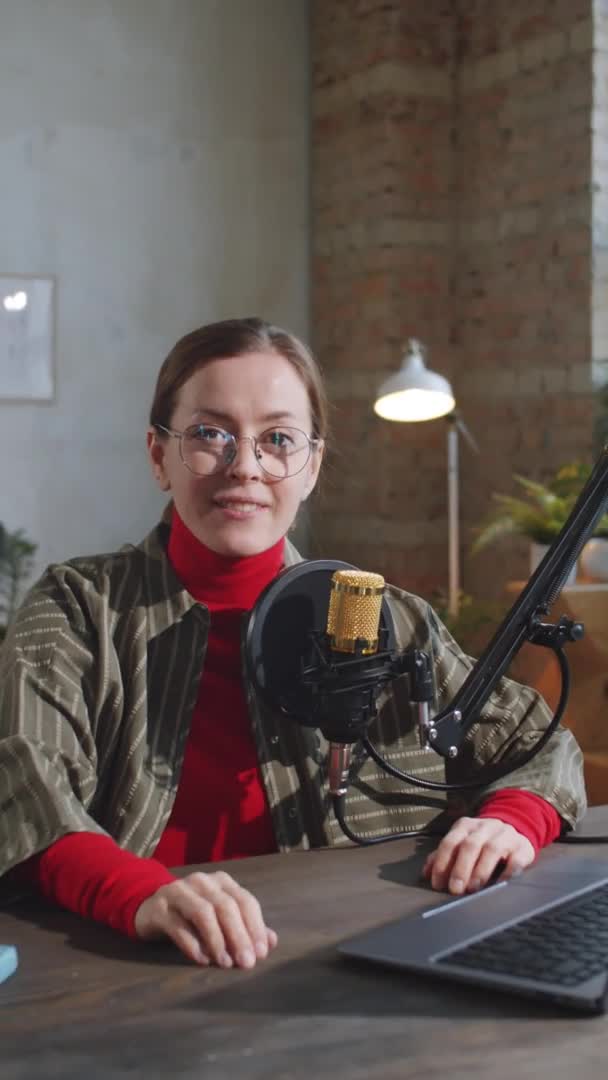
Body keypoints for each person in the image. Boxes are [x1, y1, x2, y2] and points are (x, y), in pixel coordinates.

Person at [0, 317, 586, 971]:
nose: (244, 466)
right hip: (133, 970)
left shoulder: (381, 616)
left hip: (364, 964)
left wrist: (512, 818)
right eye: (209, 435)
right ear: (157, 454)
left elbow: (541, 746)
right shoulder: (78, 609)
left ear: (311, 467)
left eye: (277, 439)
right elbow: (24, 789)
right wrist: (139, 893)